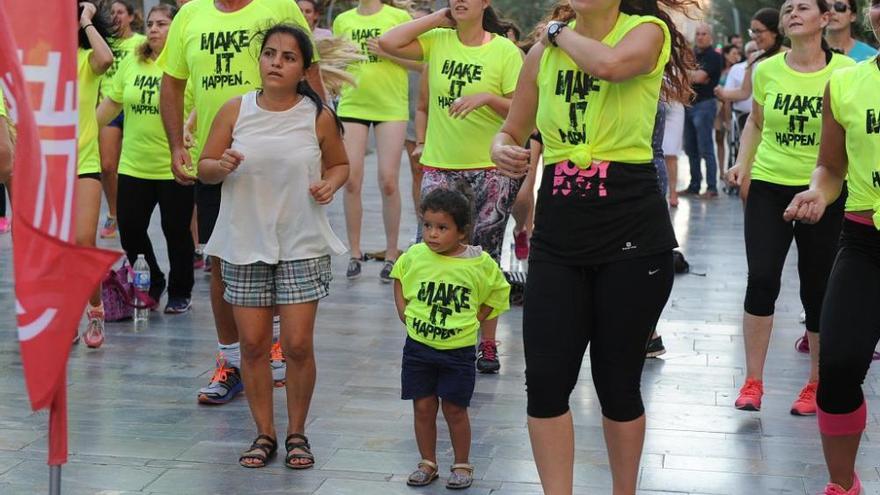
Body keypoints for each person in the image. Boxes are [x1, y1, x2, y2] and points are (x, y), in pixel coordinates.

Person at [490, 0, 693, 489]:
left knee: (618, 384)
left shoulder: (645, 32)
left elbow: (609, 64)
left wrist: (556, 31)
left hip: (632, 234)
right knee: (544, 383)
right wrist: (501, 147)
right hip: (559, 233)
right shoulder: (544, 52)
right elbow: (512, 129)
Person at [198, 24, 348, 469]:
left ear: (303, 68)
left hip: (301, 242)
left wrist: (330, 185)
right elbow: (203, 169)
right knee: (254, 344)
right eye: (269, 54)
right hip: (244, 243)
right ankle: (264, 434)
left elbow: (340, 164)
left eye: (287, 56)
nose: (276, 62)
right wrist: (219, 165)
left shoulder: (316, 114)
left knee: (298, 344)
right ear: (259, 61)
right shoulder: (234, 109)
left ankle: (297, 432)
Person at [158, 0, 322, 405]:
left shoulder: (279, 5)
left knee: (284, 256)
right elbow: (172, 84)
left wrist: (319, 141)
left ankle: (275, 344)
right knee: (220, 262)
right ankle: (231, 360)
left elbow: (312, 72)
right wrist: (177, 144)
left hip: (280, 161)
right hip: (218, 162)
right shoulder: (191, 14)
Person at [726, 0, 856, 416]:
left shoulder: (846, 74)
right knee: (761, 278)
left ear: (825, 18)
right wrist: (743, 164)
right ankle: (753, 381)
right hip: (769, 186)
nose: (793, 13)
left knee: (816, 288)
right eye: (787, 8)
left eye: (804, 7)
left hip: (824, 189)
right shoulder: (767, 69)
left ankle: (815, 382)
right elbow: (756, 123)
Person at [379, 0, 524, 374]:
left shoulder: (505, 51)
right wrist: (438, 18)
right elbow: (389, 42)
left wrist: (488, 98)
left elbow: (524, 109)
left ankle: (486, 342)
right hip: (441, 166)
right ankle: (429, 334)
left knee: (484, 258)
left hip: (490, 168)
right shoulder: (439, 41)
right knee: (430, 252)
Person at [783, 6, 880, 493]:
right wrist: (818, 192)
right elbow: (830, 166)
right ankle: (843, 485)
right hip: (865, 243)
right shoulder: (845, 85)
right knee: (838, 367)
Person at [391, 187, 510, 489]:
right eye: (428, 225)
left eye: (442, 227)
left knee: (455, 408)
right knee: (422, 406)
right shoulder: (416, 255)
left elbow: (498, 291)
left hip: (457, 352)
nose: (432, 234)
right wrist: (404, 310)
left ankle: (462, 464)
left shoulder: (478, 264)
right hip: (418, 348)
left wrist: (477, 318)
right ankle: (427, 462)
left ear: (462, 232)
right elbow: (399, 275)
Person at [95, 4, 194, 314]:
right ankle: (154, 277)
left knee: (176, 231)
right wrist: (78, 133)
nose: (153, 29)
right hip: (134, 165)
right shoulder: (133, 63)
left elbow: (203, 104)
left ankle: (181, 290)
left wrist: (190, 128)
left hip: (174, 165)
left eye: (162, 24)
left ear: (176, 29)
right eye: (150, 23)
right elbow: (111, 104)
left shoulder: (186, 64)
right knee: (131, 227)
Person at [332, 0, 415, 282]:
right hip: (352, 104)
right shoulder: (343, 20)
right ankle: (354, 253)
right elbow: (335, 63)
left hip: (391, 106)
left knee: (388, 180)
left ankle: (392, 254)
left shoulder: (399, 17)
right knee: (351, 179)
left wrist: (387, 52)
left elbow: (420, 62)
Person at [76, 1, 115, 348]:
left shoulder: (84, 59)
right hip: (45, 168)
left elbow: (105, 59)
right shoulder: (38, 60)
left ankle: (96, 310)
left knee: (84, 243)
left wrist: (86, 20)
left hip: (83, 164)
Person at [98, 0, 146, 240]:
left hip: (136, 104)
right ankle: (114, 213)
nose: (115, 16)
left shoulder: (140, 42)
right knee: (107, 166)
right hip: (110, 105)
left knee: (133, 166)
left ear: (130, 17)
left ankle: (134, 214)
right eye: (112, 12)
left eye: (120, 12)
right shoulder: (104, 41)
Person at [679, 22, 723, 198]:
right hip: (688, 104)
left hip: (705, 105)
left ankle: (712, 187)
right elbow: (686, 76)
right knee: (690, 148)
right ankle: (694, 185)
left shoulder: (714, 57)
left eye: (704, 34)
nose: (700, 37)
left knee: (706, 148)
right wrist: (691, 75)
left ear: (711, 37)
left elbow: (698, 77)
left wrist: (688, 75)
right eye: (698, 34)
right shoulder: (691, 55)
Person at [714, 8, 787, 107]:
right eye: (752, 31)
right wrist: (723, 92)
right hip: (758, 118)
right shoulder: (753, 58)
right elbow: (745, 92)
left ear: (774, 32)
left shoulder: (791, 56)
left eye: (758, 31)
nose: (754, 36)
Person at [715, 44, 741, 179]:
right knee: (719, 139)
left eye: (738, 54)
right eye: (733, 53)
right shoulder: (720, 70)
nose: (736, 56)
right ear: (725, 55)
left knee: (732, 140)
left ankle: (732, 168)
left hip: (731, 108)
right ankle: (721, 170)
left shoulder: (738, 70)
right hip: (719, 107)